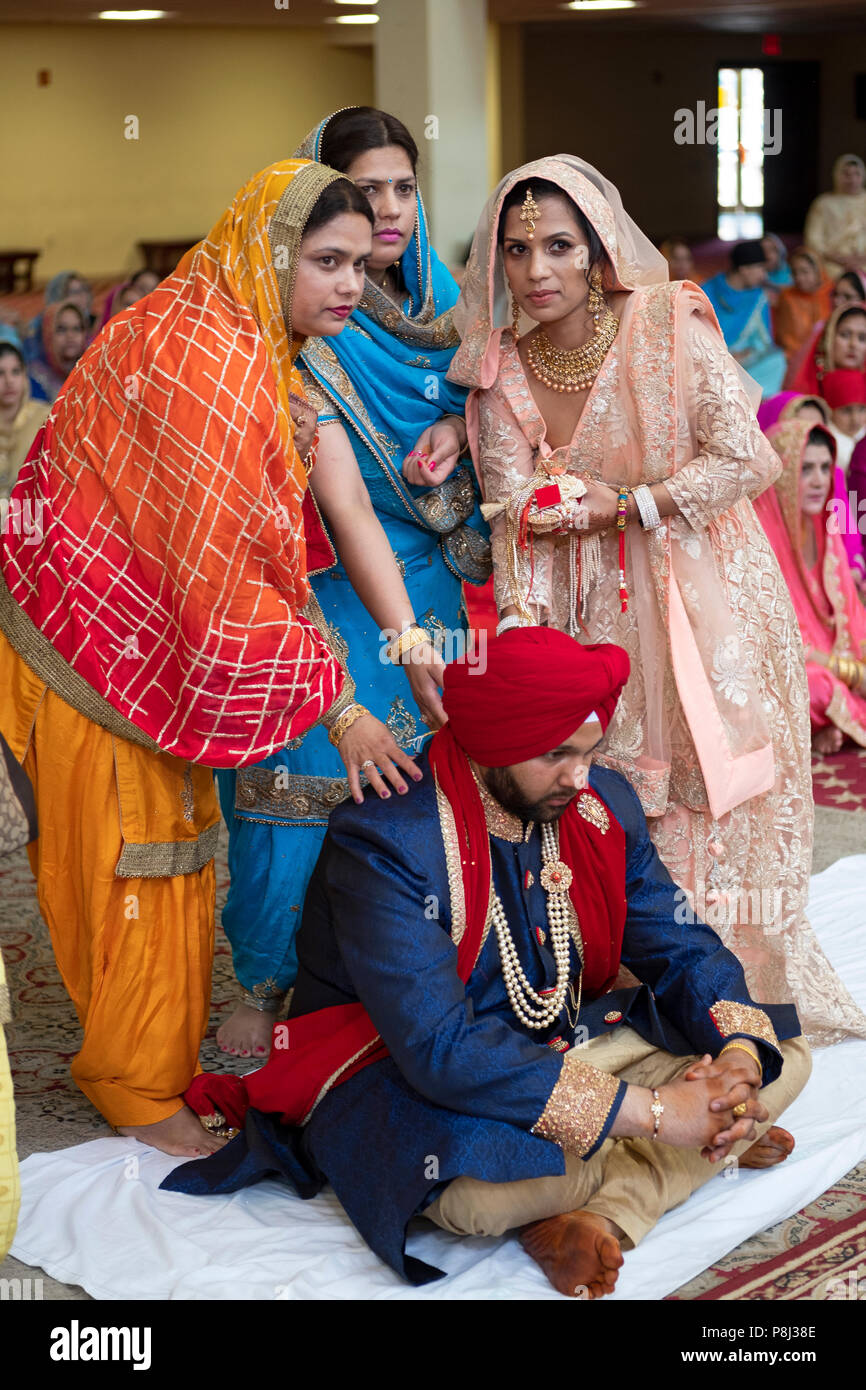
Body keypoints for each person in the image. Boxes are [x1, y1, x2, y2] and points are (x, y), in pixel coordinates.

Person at [163, 630, 811, 1299]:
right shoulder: (386, 840)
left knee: (782, 1053)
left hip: (567, 1043)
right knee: (479, 1195)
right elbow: (439, 1045)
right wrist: (654, 1113)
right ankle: (702, 1144)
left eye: (589, 752)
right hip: (406, 1070)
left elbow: (679, 946)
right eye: (556, 755)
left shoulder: (600, 807)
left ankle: (609, 1206)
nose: (580, 777)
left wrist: (735, 1055)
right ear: (491, 742)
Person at [0, 157, 379, 1158]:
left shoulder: (230, 333)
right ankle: (134, 1083)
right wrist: (338, 707)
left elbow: (236, 541)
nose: (349, 284)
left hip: (119, 640)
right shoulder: (208, 357)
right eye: (328, 260)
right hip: (90, 648)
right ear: (269, 251)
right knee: (138, 865)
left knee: (167, 851)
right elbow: (223, 576)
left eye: (358, 263)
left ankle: (148, 1063)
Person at [447, 155, 866, 1042]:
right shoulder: (503, 374)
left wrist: (630, 503)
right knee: (615, 800)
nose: (536, 271)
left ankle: (748, 1004)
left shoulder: (667, 325)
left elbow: (748, 459)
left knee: (721, 796)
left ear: (598, 249)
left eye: (559, 245)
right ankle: (650, 1006)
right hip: (587, 622)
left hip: (705, 596)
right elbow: (506, 516)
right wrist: (524, 634)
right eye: (517, 250)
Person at [214, 107, 490, 1059]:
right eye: (365, 192)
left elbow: (485, 390)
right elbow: (349, 513)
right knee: (300, 782)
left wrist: (461, 428)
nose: (388, 213)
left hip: (437, 577)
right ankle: (270, 972)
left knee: (433, 781)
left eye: (404, 190)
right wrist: (403, 637)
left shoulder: (442, 298)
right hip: (331, 579)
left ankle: (403, 957)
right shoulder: (306, 326)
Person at [756, 420, 866, 755]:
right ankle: (819, 730)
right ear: (782, 475)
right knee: (817, 686)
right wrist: (850, 673)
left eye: (824, 468)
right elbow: (773, 640)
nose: (820, 480)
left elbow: (850, 613)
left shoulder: (824, 528)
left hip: (830, 655)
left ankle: (821, 732)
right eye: (805, 470)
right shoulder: (760, 540)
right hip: (782, 666)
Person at [757, 391, 865, 588]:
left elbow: (850, 538)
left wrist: (852, 570)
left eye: (817, 429)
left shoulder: (832, 476)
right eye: (798, 430)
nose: (809, 437)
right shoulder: (755, 501)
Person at [700, 239, 786, 397]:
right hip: (713, 363)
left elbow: (765, 342)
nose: (764, 275)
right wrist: (726, 356)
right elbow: (695, 337)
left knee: (777, 361)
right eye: (760, 268)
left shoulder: (758, 297)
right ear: (744, 269)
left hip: (745, 365)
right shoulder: (705, 292)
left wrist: (746, 355)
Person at [804, 154, 866, 280]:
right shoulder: (823, 203)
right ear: (837, 175)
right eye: (846, 174)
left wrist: (861, 258)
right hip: (831, 263)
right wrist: (837, 257)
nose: (852, 180)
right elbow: (813, 240)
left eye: (856, 174)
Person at [0, 343, 50, 499]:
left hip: (32, 514)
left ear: (24, 376)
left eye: (16, 372)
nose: (9, 381)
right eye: (0, 373)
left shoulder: (44, 417)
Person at [787, 300, 866, 396]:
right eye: (845, 335)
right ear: (829, 338)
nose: (853, 344)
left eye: (862, 338)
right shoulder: (805, 392)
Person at [772, 248, 833, 361]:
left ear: (818, 271)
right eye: (795, 273)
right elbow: (785, 337)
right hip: (794, 357)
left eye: (804, 271)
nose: (799, 278)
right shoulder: (788, 297)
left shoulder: (832, 293)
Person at [23, 271, 94, 363]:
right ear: (57, 295)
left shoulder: (94, 321)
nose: (81, 296)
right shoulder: (41, 326)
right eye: (74, 292)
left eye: (84, 290)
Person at [27, 299, 88, 403]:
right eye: (62, 329)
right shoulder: (34, 379)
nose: (70, 336)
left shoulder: (92, 372)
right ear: (47, 334)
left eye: (76, 329)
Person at [822, 368, 866, 471]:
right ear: (830, 411)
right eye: (846, 411)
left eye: (862, 409)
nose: (855, 419)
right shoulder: (827, 446)